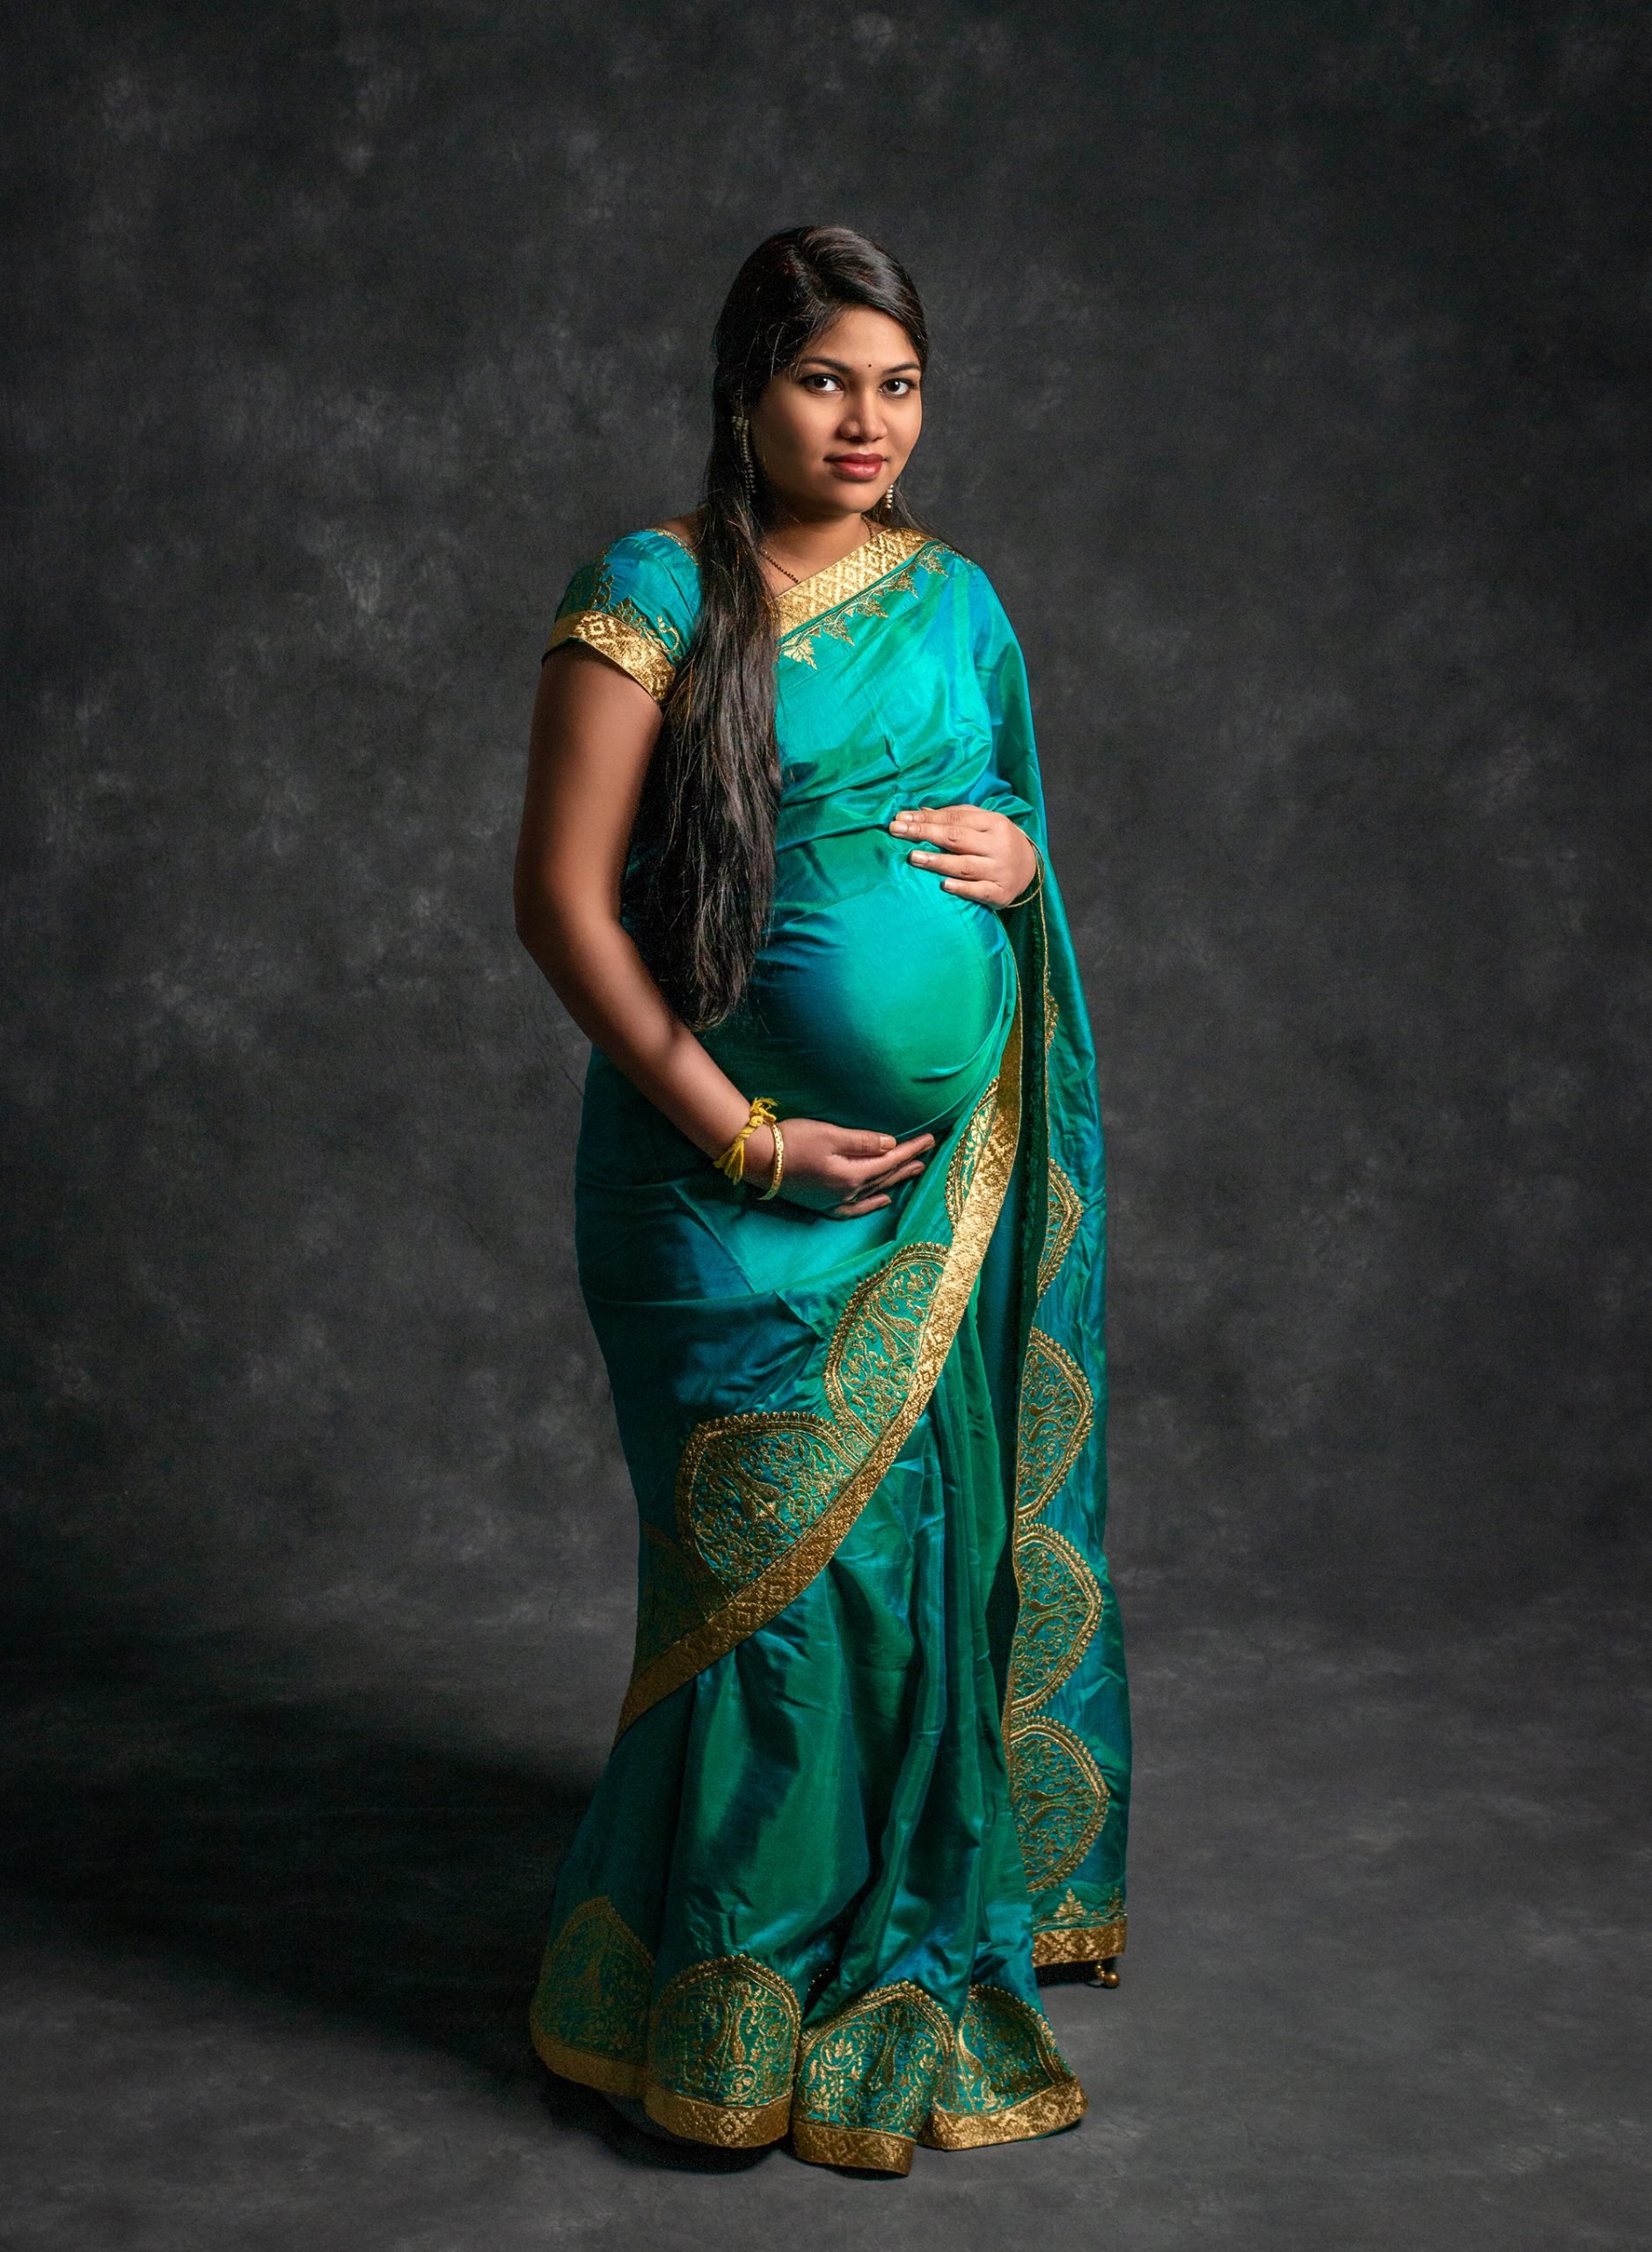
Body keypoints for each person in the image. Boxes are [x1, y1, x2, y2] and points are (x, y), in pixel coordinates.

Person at [514, 225, 1129, 2175]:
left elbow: (1010, 806)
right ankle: (719, 2002)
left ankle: (868, 1951)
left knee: (900, 1594)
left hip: (931, 1196)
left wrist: (1026, 864)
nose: (867, 421)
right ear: (745, 390)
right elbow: (561, 900)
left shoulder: (957, 602)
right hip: (721, 1192)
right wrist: (740, 1137)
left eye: (900, 384)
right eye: (823, 380)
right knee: (783, 1606)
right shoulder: (654, 591)